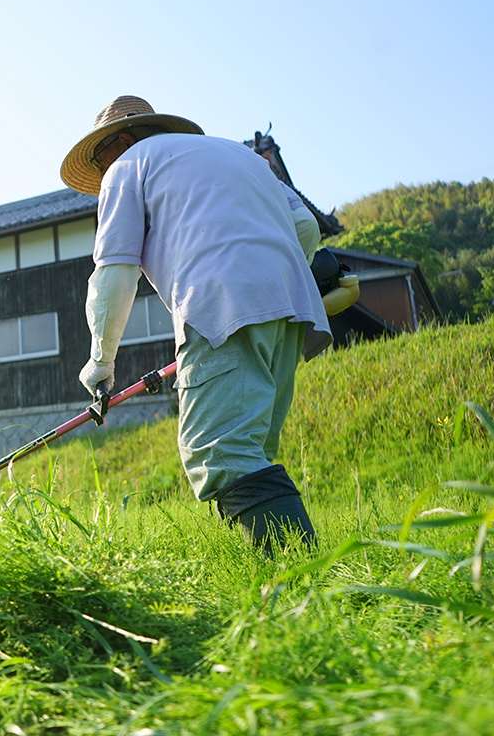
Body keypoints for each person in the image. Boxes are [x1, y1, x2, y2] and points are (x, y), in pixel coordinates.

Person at [59, 95, 330, 554]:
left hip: (219, 303)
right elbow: (306, 228)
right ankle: (288, 590)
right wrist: (270, 289)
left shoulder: (128, 165)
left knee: (220, 451)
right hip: (291, 309)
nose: (103, 175)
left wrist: (100, 363)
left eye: (101, 161)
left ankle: (303, 586)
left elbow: (114, 273)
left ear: (122, 140)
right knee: (252, 452)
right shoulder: (244, 157)